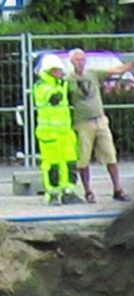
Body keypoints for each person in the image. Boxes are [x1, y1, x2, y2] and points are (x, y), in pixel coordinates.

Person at [67, 48, 134, 203]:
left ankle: (117, 189)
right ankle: (88, 191)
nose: (81, 62)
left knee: (110, 155)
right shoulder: (68, 80)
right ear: (71, 61)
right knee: (83, 159)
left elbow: (116, 70)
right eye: (77, 59)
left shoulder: (92, 74)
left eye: (82, 59)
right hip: (83, 123)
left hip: (100, 120)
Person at [32, 54, 80, 205]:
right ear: (48, 71)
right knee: (52, 165)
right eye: (57, 70)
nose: (60, 73)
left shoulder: (59, 84)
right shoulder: (42, 87)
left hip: (65, 133)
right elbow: (53, 97)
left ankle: (68, 191)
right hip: (50, 135)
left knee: (69, 163)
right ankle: (52, 194)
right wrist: (61, 84)